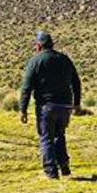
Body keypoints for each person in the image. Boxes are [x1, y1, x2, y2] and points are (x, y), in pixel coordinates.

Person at [19, 31, 81, 179]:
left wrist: (23, 109)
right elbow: (76, 82)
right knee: (59, 135)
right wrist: (76, 103)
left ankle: (51, 172)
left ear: (39, 45)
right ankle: (64, 166)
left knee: (46, 138)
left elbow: (26, 87)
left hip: (46, 106)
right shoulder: (64, 59)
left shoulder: (36, 61)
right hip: (65, 106)